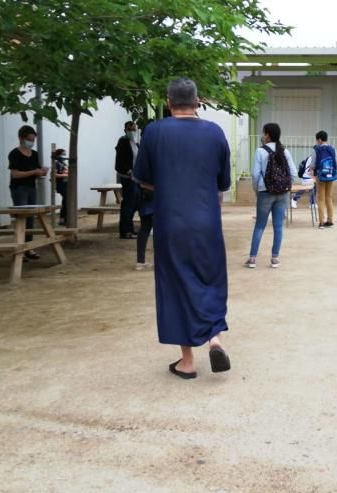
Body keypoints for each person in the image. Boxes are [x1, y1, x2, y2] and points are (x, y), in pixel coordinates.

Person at [133, 78, 232, 380]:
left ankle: (187, 361)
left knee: (175, 284)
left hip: (170, 221)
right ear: (198, 101)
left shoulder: (154, 131)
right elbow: (223, 183)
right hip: (207, 222)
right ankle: (214, 337)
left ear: (168, 103)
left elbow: (144, 179)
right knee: (209, 278)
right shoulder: (215, 133)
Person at [246, 123, 297, 269]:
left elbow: (255, 174)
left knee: (260, 225)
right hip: (282, 193)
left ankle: (252, 259)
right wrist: (285, 186)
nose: (263, 135)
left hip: (265, 192)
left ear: (267, 134)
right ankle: (275, 258)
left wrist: (257, 189)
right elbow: (293, 173)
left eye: (264, 133)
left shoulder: (260, 151)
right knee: (278, 226)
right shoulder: (284, 151)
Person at [8, 125, 48, 260]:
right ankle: (19, 249)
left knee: (31, 219)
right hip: (19, 188)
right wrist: (34, 172)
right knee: (21, 218)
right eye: (29, 139)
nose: (31, 142)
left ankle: (29, 248)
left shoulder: (34, 154)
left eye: (33, 139)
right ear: (21, 138)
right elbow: (15, 174)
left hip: (32, 187)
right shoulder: (15, 154)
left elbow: (36, 171)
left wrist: (41, 172)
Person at [306, 130, 337, 228]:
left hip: (320, 176)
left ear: (319, 139)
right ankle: (330, 220)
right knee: (329, 197)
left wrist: (311, 169)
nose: (317, 142)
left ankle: (321, 222)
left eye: (317, 140)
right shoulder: (333, 149)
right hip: (331, 176)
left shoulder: (316, 149)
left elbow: (313, 164)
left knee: (320, 198)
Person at [116, 121, 141, 239]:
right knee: (129, 203)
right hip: (127, 177)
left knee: (135, 202)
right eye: (130, 129)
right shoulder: (123, 142)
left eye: (134, 129)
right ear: (125, 130)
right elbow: (120, 162)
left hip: (136, 178)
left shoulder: (135, 143)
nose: (132, 131)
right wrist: (128, 170)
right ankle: (125, 231)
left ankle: (129, 229)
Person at [135, 182, 155, 271]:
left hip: (144, 200)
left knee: (144, 230)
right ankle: (141, 261)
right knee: (158, 232)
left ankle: (140, 261)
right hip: (151, 200)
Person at [52, 148, 69, 225]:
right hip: (60, 185)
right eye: (63, 154)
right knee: (66, 199)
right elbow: (54, 175)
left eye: (65, 154)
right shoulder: (56, 163)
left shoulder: (64, 163)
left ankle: (64, 218)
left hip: (66, 184)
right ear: (58, 155)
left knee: (66, 201)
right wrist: (65, 175)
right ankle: (62, 219)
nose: (64, 156)